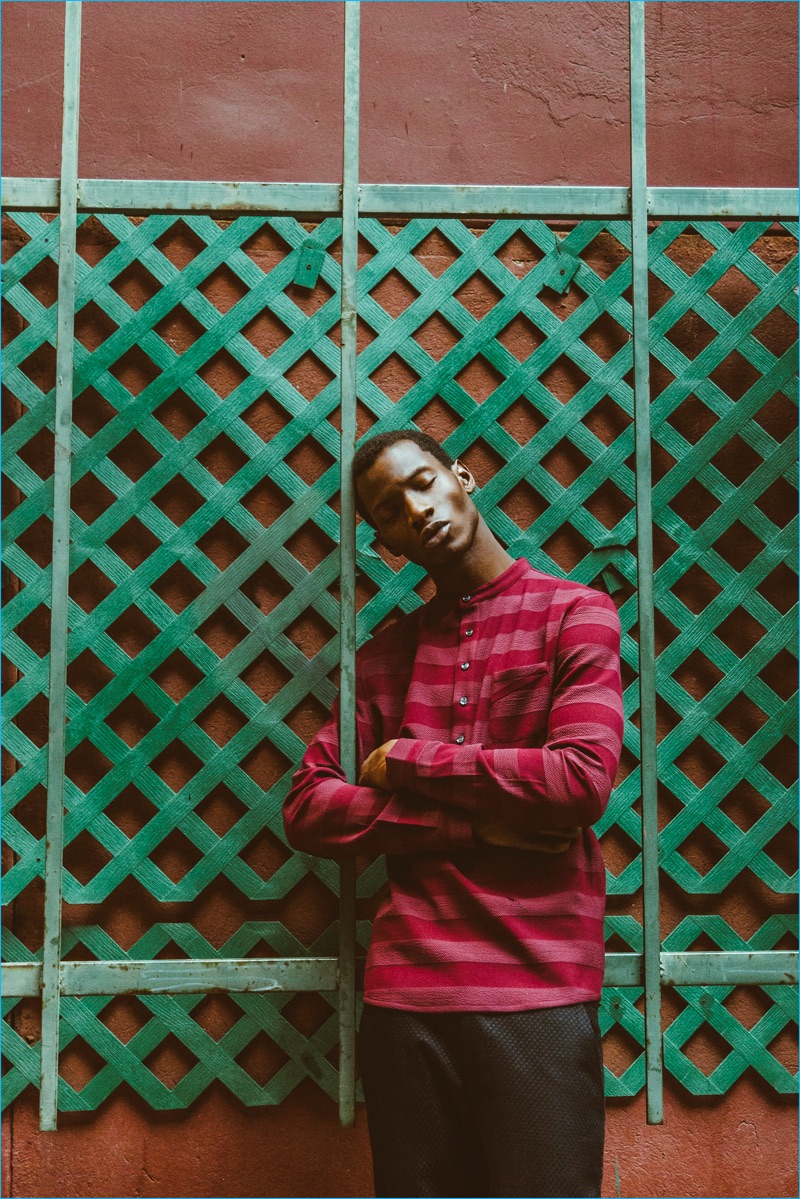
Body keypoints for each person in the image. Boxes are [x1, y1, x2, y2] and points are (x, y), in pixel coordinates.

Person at [283, 428, 624, 1198]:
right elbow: (308, 807)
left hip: (537, 990)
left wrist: (409, 759)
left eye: (423, 481)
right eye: (391, 510)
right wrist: (466, 824)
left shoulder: (577, 614)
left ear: (461, 474)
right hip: (407, 997)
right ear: (385, 542)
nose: (418, 509)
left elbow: (578, 781)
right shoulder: (385, 657)